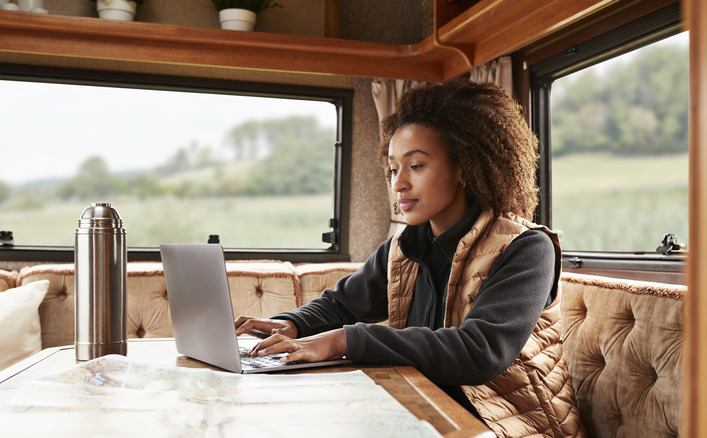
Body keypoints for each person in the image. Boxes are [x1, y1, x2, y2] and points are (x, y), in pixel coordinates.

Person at [235, 78, 584, 438]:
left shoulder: (528, 248)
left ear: (464, 166)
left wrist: (343, 340)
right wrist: (291, 325)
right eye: (393, 169)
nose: (398, 183)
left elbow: (479, 352)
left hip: (514, 427)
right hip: (426, 413)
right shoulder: (403, 247)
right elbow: (341, 304)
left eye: (415, 166)